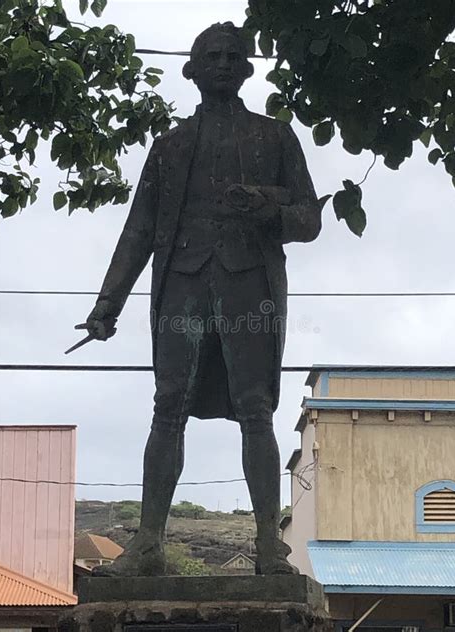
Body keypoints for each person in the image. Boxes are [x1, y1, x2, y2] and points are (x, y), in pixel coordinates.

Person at [83, 22, 322, 576]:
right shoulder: (169, 147)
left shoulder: (274, 137)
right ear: (192, 69)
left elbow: (308, 219)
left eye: (231, 56)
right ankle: (147, 543)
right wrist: (107, 303)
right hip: (182, 288)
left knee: (256, 410)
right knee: (167, 410)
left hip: (249, 289)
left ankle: (269, 544)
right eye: (209, 55)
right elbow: (138, 230)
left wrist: (266, 206)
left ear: (245, 69)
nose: (220, 63)